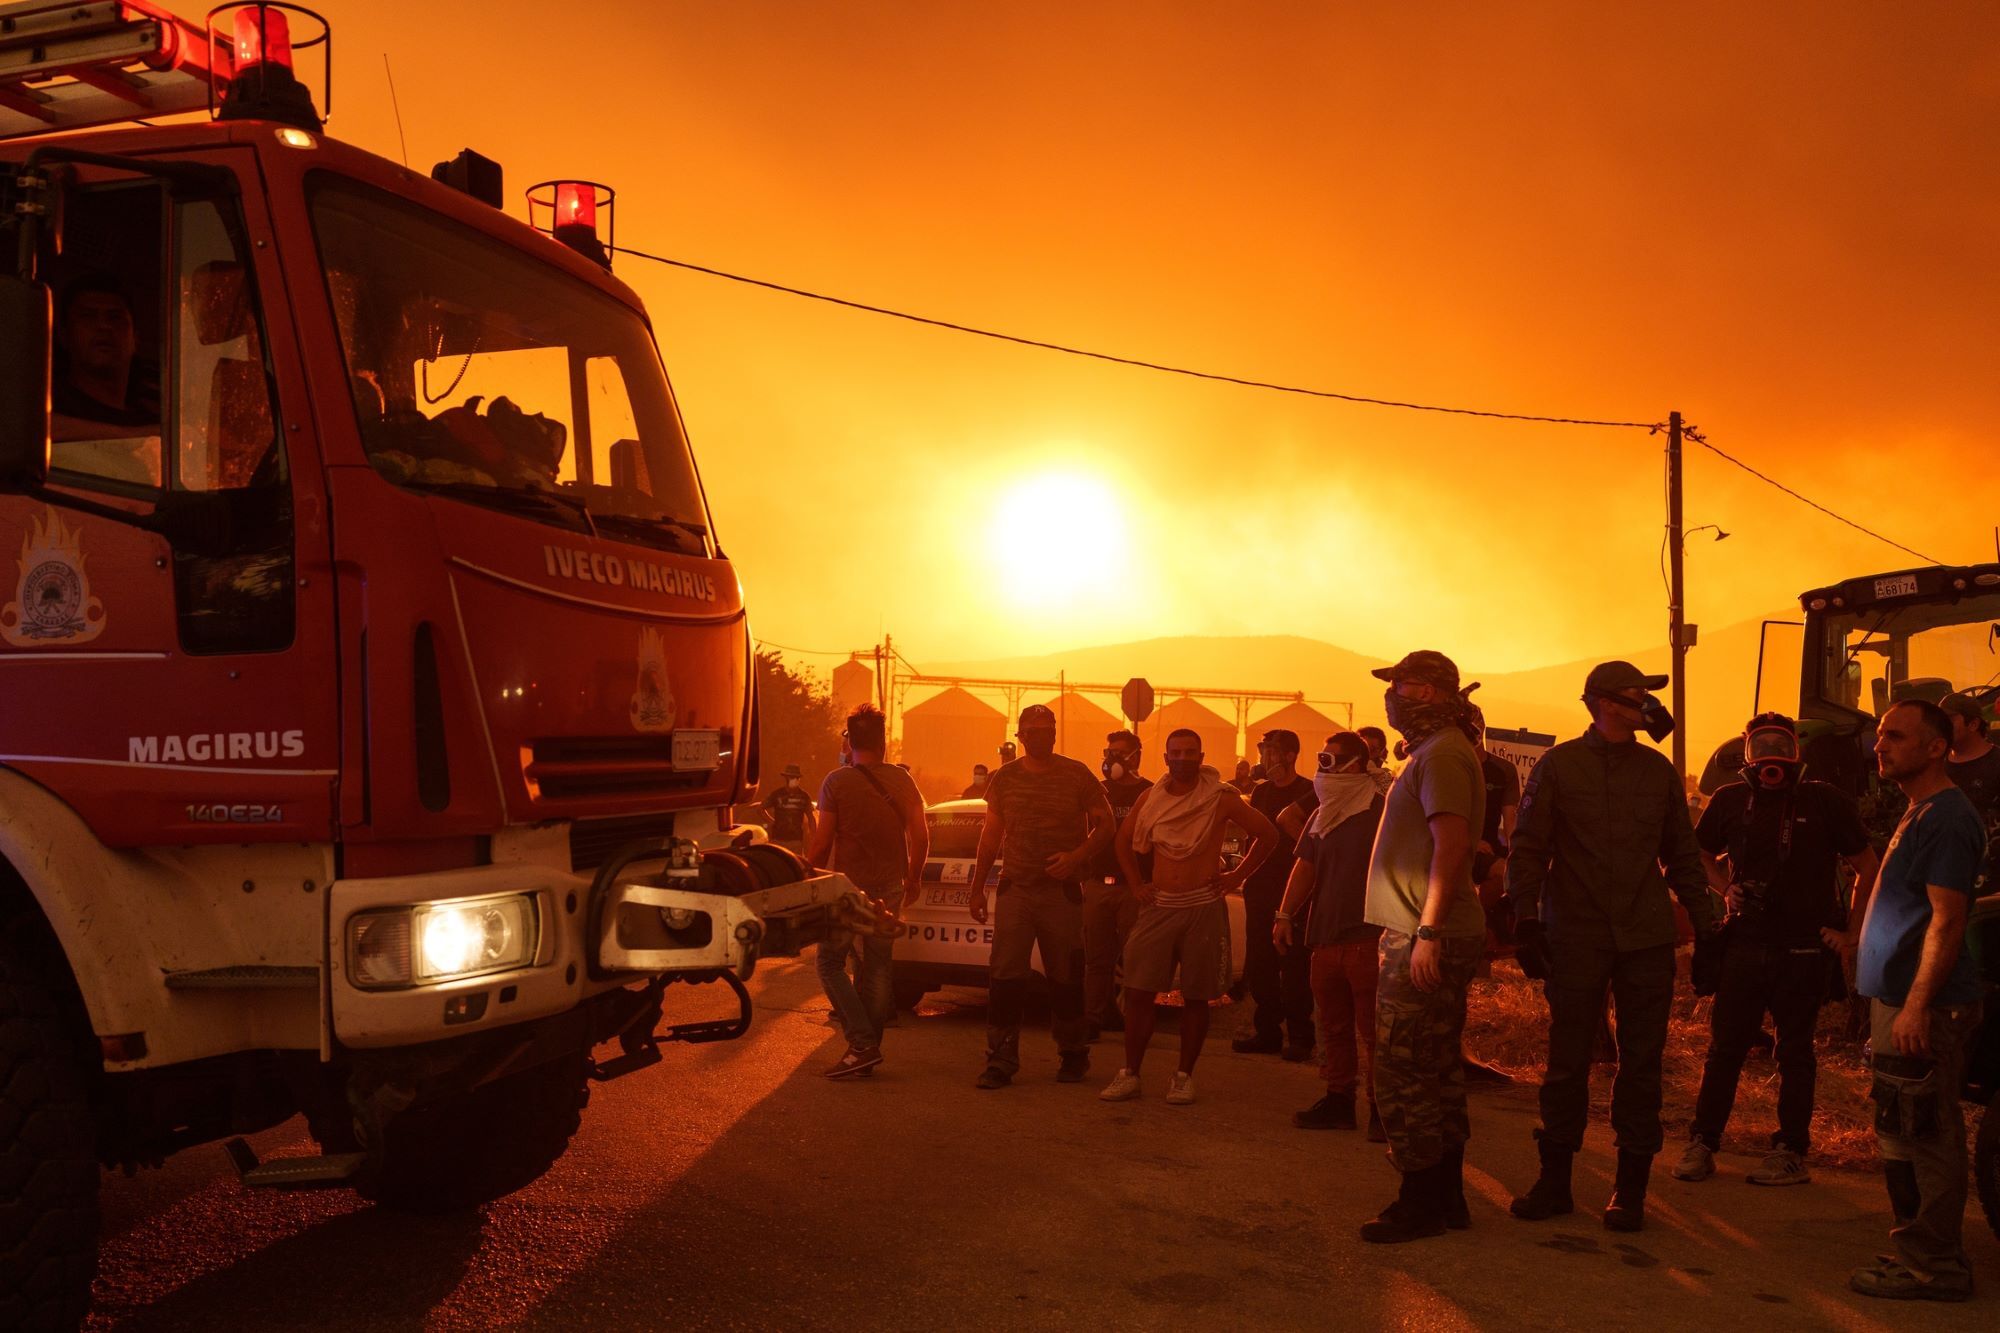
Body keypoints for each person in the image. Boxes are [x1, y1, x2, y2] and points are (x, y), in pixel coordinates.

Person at [1505, 661, 1716, 1233]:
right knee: (1567, 1060)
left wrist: (1706, 927)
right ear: (1603, 703)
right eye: (1636, 694)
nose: (1646, 703)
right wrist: (1525, 919)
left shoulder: (1658, 771)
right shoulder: (1558, 768)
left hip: (1646, 936)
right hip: (1575, 933)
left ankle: (1630, 1189)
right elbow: (1527, 850)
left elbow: (1683, 855)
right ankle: (1554, 1183)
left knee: (1642, 1062)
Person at [1673, 714, 1878, 1187]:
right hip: (1745, 943)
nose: (1770, 758)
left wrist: (1850, 932)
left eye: (1781, 747)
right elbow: (1698, 853)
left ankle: (1790, 1152)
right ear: (1744, 755)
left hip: (1805, 948)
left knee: (1795, 1053)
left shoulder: (1825, 800)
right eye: (1760, 747)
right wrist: (1727, 889)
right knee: (1724, 1050)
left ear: (1797, 755)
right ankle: (1703, 1143)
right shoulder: (1729, 800)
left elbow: (1868, 865)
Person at [1846, 699, 1985, 1303]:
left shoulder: (1948, 818)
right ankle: (1917, 1247)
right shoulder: (1919, 811)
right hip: (1898, 1000)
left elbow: (1948, 922)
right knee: (1902, 1130)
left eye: (1896, 737)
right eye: (1880, 735)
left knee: (1927, 1133)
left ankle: (1936, 1266)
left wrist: (1916, 1005)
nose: (1881, 745)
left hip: (1923, 1006)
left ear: (1936, 747)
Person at [1356, 651, 1485, 1244]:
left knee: (1404, 1069)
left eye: (1402, 685)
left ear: (1431, 692)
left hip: (1424, 934)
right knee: (1434, 1069)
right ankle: (1448, 1197)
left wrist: (1427, 931)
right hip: (1421, 930)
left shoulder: (1445, 755)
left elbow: (1451, 846)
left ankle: (1419, 1202)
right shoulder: (1438, 752)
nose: (1393, 696)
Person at [1101, 729, 1279, 1106]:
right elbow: (1122, 841)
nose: (1183, 758)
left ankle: (1183, 1077)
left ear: (1201, 756)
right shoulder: (1151, 798)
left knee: (1196, 998)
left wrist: (1236, 876)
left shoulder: (1220, 798)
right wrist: (1136, 885)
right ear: (1165, 758)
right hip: (1159, 905)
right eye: (1176, 753)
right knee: (1137, 992)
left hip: (1203, 904)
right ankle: (1130, 1073)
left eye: (1190, 753)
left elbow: (1267, 834)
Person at [967, 705, 1113, 1089]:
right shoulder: (1005, 779)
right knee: (1004, 979)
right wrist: (977, 887)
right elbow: (990, 836)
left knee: (1066, 978)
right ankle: (1000, 1061)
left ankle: (1073, 1054)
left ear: (1054, 732)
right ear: (1020, 736)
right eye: (1031, 730)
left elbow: (1106, 825)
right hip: (1017, 890)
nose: (1039, 736)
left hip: (1060, 895)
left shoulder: (1076, 775)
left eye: (1046, 729)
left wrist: (1076, 858)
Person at [806, 705, 928, 1079]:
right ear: (882, 742)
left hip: (845, 888)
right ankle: (867, 1050)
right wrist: (914, 877)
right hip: (889, 885)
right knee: (877, 967)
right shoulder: (903, 781)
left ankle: (861, 1043)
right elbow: (921, 836)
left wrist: (806, 877)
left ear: (849, 740)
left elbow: (823, 842)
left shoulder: (836, 782)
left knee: (829, 963)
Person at [1277, 731, 1386, 1136]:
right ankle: (1340, 1101)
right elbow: (1305, 865)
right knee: (1334, 1028)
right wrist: (1285, 914)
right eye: (1322, 757)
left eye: (1331, 759)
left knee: (1374, 1032)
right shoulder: (1323, 813)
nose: (1324, 767)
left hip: (1368, 936)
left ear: (1356, 765)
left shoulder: (1381, 810)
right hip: (1324, 937)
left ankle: (1381, 1110)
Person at [1234, 729, 1320, 1059]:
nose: (1265, 757)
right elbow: (1253, 838)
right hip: (1262, 888)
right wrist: (1241, 875)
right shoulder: (1261, 793)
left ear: (1289, 756)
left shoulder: (1310, 792)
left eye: (1271, 750)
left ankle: (1300, 1037)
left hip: (1295, 889)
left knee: (1296, 966)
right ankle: (1267, 1031)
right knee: (1260, 965)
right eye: (1263, 750)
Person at [49, 274, 162, 484]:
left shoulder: (153, 420)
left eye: (115, 317)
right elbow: (31, 431)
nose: (104, 326)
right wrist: (133, 438)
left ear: (135, 339)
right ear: (64, 336)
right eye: (88, 316)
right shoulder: (45, 403)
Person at [1462, 702, 1519, 1086]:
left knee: (1501, 872)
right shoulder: (1444, 762)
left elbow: (1512, 825)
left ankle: (1486, 938)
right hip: (1451, 849)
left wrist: (1515, 860)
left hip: (1486, 853)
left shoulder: (1502, 769)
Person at [1085, 730, 1152, 1038]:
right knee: (1097, 961)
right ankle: (1093, 1020)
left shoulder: (1150, 793)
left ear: (1136, 756)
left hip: (1132, 889)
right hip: (1098, 887)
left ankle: (1136, 1024)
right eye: (1108, 752)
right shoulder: (1098, 792)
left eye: (1119, 753)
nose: (1111, 759)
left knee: (1136, 960)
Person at [1940, 690, 2000, 894]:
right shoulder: (1935, 765)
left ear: (1973, 724)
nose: (1942, 727)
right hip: (1946, 879)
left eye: (1949, 719)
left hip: (1991, 885)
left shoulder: (1997, 763)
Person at [761, 764, 816, 854]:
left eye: (796, 778)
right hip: (778, 839)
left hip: (796, 840)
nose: (794, 780)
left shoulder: (804, 797)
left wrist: (813, 836)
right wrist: (771, 821)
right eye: (791, 778)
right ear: (786, 779)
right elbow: (760, 809)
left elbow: (811, 817)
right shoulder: (777, 794)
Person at [1357, 726, 1395, 795]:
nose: (1365, 755)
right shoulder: (1338, 773)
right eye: (1361, 749)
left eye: (1371, 750)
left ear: (1382, 753)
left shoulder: (1387, 782)